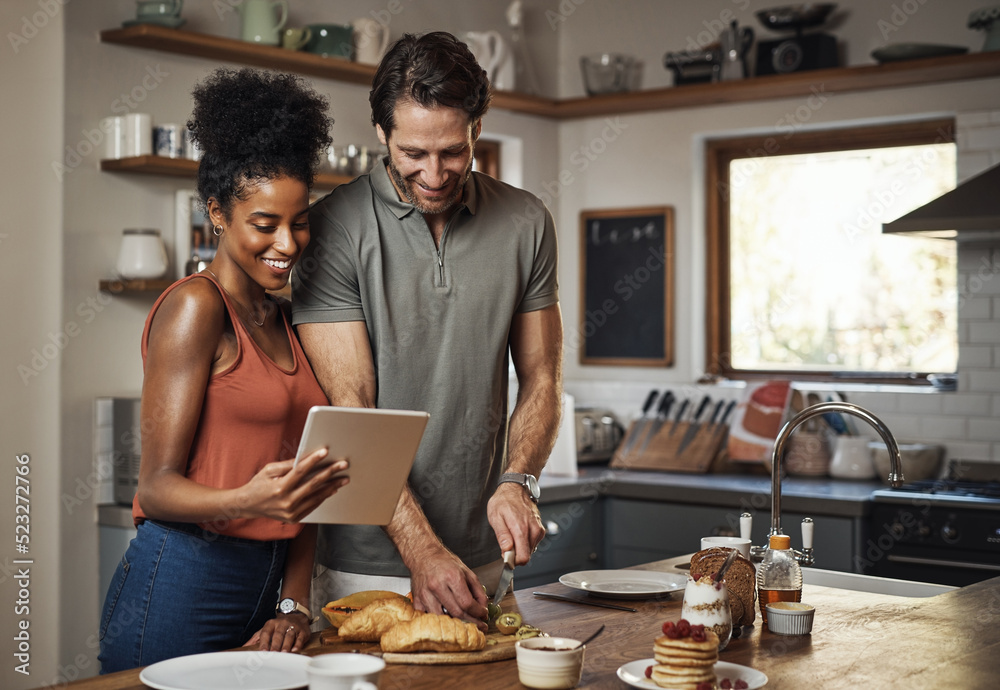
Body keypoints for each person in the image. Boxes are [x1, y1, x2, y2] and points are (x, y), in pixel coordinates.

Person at [293, 31, 564, 630]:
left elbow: (541, 376)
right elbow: (353, 410)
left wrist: (519, 481)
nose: (435, 174)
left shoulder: (525, 222)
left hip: (483, 556)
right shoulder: (331, 227)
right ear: (382, 134)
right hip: (366, 562)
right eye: (414, 153)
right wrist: (421, 551)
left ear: (477, 129)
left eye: (453, 151)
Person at [98, 68, 343, 673]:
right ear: (218, 214)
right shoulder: (195, 309)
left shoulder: (291, 319)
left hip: (267, 591)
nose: (287, 242)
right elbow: (155, 487)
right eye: (264, 224)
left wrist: (294, 604)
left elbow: (304, 494)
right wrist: (249, 498)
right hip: (182, 580)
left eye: (299, 220)